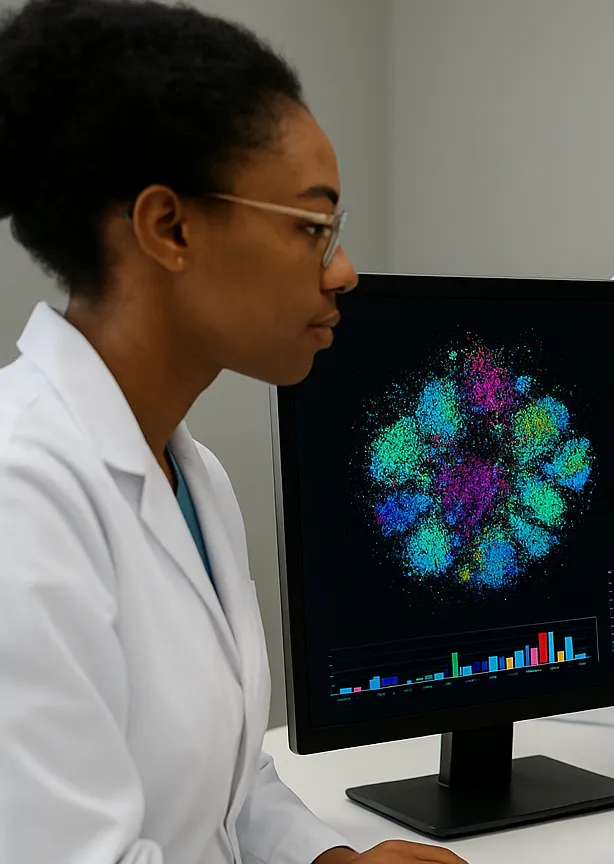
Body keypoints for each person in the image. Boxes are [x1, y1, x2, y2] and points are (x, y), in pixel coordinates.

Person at [0, 2, 466, 862]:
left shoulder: (193, 476)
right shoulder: (19, 499)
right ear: (168, 227)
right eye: (313, 227)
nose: (344, 270)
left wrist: (332, 861)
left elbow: (227, 783)